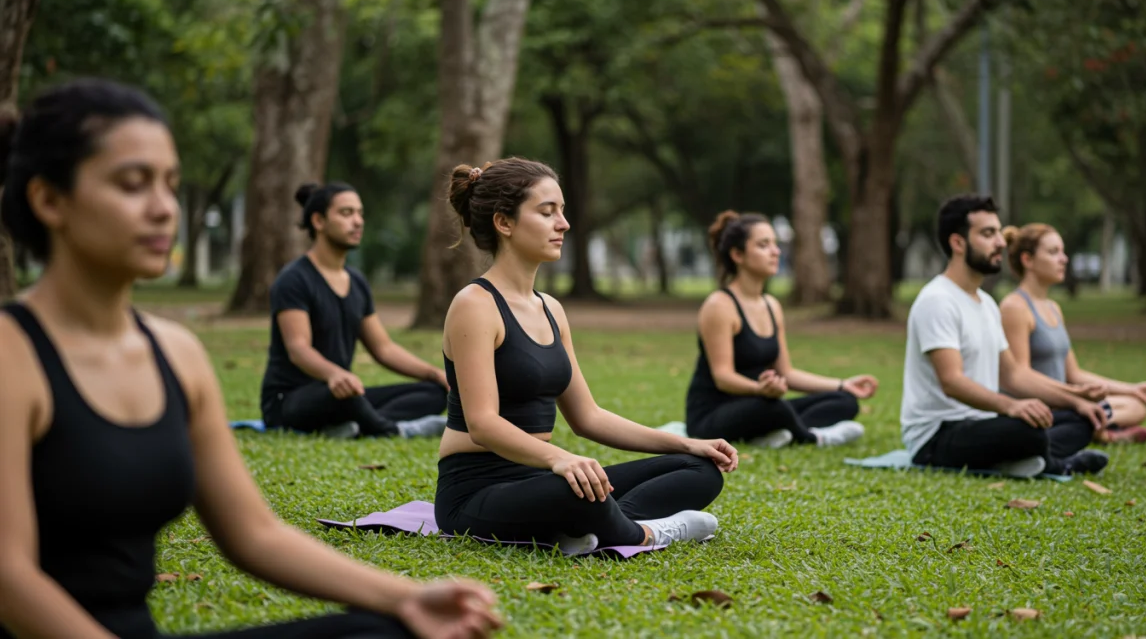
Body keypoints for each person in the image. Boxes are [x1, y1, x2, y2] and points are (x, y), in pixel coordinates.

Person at [0, 78, 501, 639]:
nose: (164, 208)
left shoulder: (178, 354)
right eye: (132, 184)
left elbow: (254, 534)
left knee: (404, 631)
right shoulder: (12, 357)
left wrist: (408, 597)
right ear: (49, 200)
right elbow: (8, 576)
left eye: (170, 185)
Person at [434, 158, 738, 554]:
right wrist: (560, 459)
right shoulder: (474, 305)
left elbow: (588, 417)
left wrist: (685, 444)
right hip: (476, 491)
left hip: (540, 477)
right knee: (574, 492)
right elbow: (483, 424)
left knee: (699, 471)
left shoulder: (551, 309)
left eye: (562, 211)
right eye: (547, 213)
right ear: (504, 223)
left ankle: (600, 526)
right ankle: (646, 534)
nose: (564, 224)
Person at [900, 194, 1111, 477]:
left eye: (998, 232)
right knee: (1027, 432)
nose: (1000, 242)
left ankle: (1024, 462)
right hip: (937, 435)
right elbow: (952, 382)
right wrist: (1011, 406)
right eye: (988, 234)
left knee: (1080, 418)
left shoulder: (986, 303)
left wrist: (1075, 398)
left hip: (984, 422)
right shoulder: (937, 300)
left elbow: (1012, 375)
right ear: (958, 243)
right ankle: (1058, 464)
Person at [259, 182, 449, 439]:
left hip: (342, 391)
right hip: (290, 400)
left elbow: (383, 348)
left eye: (360, 213)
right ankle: (392, 430)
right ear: (318, 221)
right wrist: (334, 374)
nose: (358, 222)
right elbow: (298, 349)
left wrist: (435, 374)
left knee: (434, 392)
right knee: (344, 397)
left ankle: (354, 427)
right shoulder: (294, 279)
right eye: (346, 213)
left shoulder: (356, 281)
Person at [684, 210, 876, 449]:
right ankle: (814, 437)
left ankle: (774, 434)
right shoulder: (719, 306)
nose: (776, 251)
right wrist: (759, 389)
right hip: (713, 415)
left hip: (763, 402)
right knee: (771, 407)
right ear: (737, 254)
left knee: (845, 402)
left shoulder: (771, 306)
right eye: (764, 245)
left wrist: (841, 384)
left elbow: (786, 373)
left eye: (775, 244)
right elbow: (723, 377)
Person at [998, 223, 1146, 444]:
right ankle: (1102, 432)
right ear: (1028, 260)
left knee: (1135, 406)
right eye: (1053, 252)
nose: (1063, 259)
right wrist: (1074, 396)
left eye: (1063, 252)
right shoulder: (1015, 307)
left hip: (1066, 400)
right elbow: (1019, 377)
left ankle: (1098, 430)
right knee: (1112, 410)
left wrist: (1132, 389)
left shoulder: (1053, 308)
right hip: (1040, 406)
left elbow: (1074, 374)